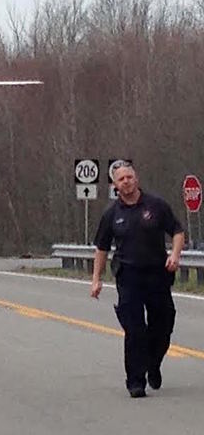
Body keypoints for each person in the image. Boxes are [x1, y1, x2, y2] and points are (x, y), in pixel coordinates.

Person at [91, 161, 184, 398]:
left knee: (163, 327)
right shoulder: (112, 214)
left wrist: (174, 255)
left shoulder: (156, 205)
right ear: (115, 185)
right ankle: (135, 381)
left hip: (158, 275)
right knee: (134, 331)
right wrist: (96, 279)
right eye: (121, 179)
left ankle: (153, 364)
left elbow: (177, 231)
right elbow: (101, 248)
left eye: (129, 177)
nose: (126, 182)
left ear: (136, 178)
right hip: (128, 277)